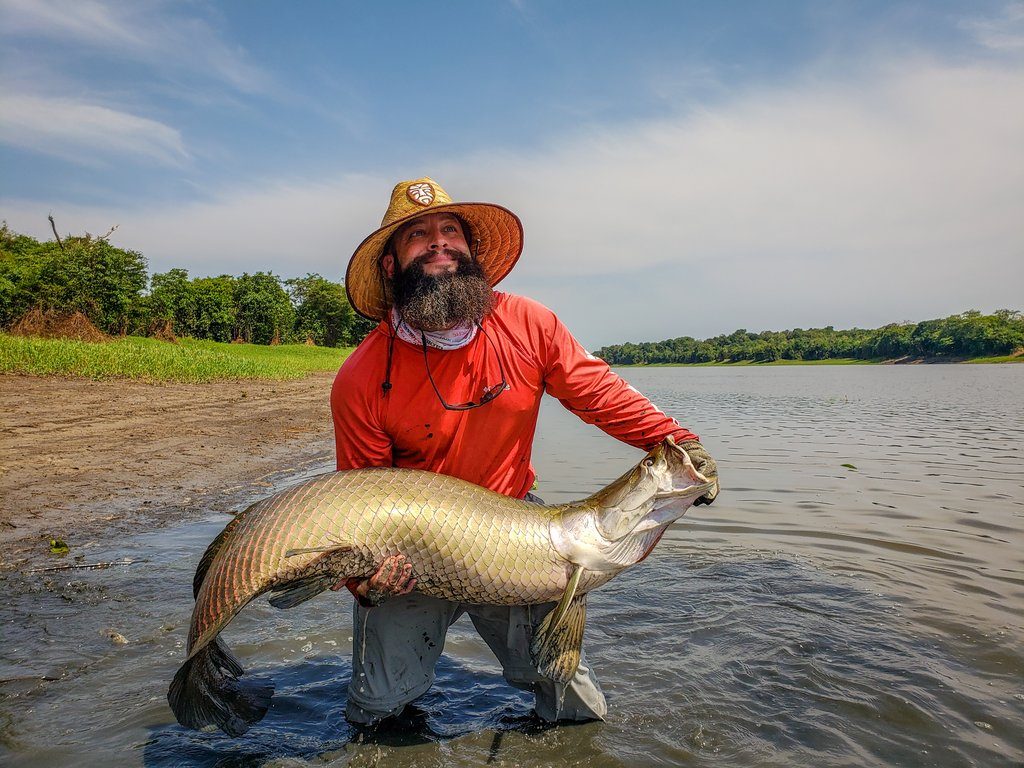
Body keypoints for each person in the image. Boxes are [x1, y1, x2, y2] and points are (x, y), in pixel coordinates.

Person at [330, 177, 718, 727]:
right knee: (376, 711)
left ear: (471, 252)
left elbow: (599, 393)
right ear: (392, 265)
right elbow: (357, 498)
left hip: (514, 530)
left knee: (575, 707)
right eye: (417, 235)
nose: (439, 243)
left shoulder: (528, 323)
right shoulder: (363, 376)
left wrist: (681, 443)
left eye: (450, 231)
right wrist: (363, 578)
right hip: (410, 548)